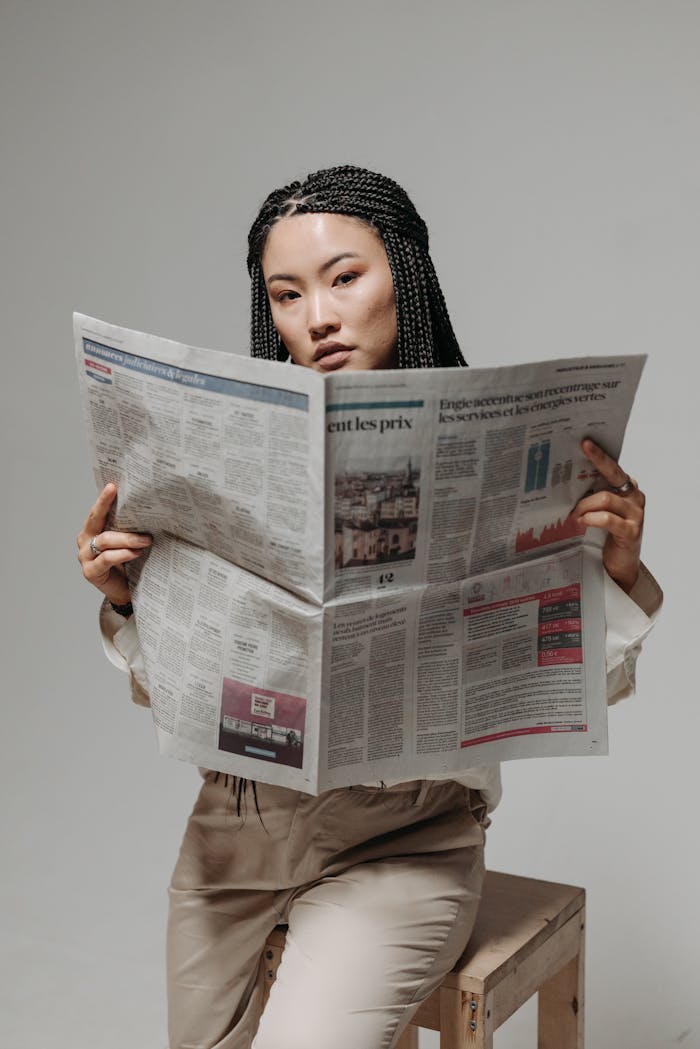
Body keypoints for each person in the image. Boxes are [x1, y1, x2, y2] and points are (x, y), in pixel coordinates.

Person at [76, 166, 661, 1049]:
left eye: (345, 276)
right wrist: (130, 599)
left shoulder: (502, 454)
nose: (315, 316)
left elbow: (570, 693)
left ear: (407, 275)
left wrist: (614, 571)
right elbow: (184, 701)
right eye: (285, 294)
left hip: (407, 841)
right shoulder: (233, 464)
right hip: (234, 828)